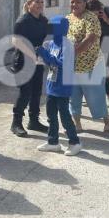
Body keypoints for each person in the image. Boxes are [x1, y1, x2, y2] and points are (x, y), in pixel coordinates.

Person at [66, 0, 109, 133]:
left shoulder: (91, 18)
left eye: (78, 2)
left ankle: (108, 122)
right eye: (72, 2)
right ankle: (77, 124)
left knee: (95, 95)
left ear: (85, 3)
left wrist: (73, 52)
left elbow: (91, 38)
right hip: (72, 65)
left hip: (91, 64)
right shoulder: (67, 18)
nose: (75, 5)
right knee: (73, 96)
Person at [35, 15, 81, 156]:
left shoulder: (67, 44)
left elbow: (63, 64)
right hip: (52, 85)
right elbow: (51, 63)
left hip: (62, 86)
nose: (50, 29)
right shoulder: (52, 43)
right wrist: (43, 55)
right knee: (51, 115)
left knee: (65, 116)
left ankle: (75, 142)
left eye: (53, 26)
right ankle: (53, 142)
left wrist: (45, 55)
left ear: (60, 29)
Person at [10, 0, 50, 137]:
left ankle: (34, 121)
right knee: (25, 93)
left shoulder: (44, 21)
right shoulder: (23, 21)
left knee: (36, 92)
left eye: (41, 2)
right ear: (29, 4)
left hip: (38, 61)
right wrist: (31, 54)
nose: (40, 5)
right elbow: (15, 41)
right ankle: (16, 123)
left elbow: (47, 39)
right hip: (23, 61)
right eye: (37, 2)